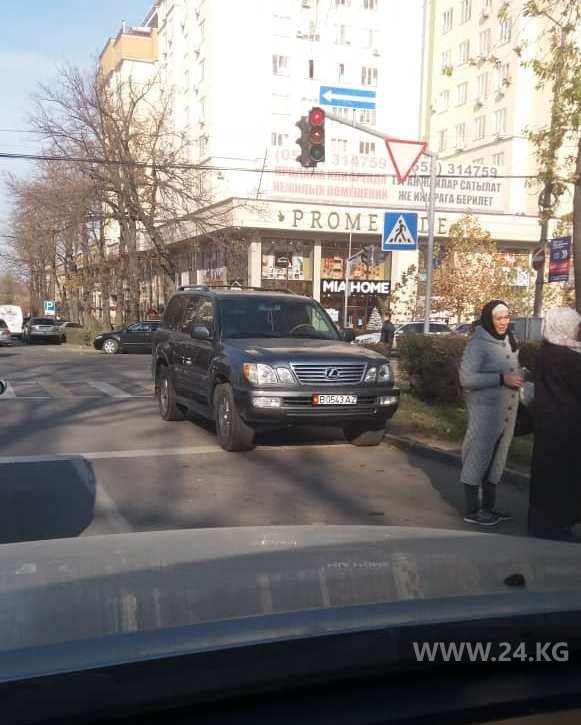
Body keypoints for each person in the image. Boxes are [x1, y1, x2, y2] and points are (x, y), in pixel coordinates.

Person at [459, 300, 522, 526]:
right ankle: (472, 511)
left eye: (506, 317)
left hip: (505, 416)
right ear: (489, 319)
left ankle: (488, 507)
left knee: (496, 462)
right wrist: (501, 379)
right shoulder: (478, 344)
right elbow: (466, 378)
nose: (503, 322)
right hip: (485, 415)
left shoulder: (509, 340)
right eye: (498, 318)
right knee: (477, 460)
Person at [528, 307, 581, 540]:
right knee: (563, 477)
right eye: (576, 326)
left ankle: (538, 522)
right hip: (568, 426)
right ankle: (557, 526)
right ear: (565, 327)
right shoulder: (570, 359)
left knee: (544, 474)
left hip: (546, 423)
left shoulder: (544, 353)